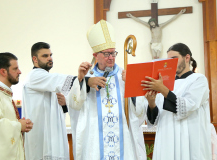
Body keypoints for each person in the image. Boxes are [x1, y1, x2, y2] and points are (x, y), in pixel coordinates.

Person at [67, 20, 147, 160]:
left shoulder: (125, 75)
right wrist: (81, 80)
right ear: (95, 55)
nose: (111, 58)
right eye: (106, 54)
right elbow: (74, 105)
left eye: (113, 53)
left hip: (122, 140)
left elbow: (140, 111)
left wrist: (132, 84)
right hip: (96, 143)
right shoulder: (88, 77)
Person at [142, 43, 212, 159]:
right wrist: (151, 102)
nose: (171, 64)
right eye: (168, 61)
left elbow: (186, 107)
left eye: (174, 59)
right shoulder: (164, 83)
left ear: (187, 58)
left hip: (189, 140)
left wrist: (162, 89)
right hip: (166, 140)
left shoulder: (199, 80)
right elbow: (155, 119)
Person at [22, 42, 76, 160]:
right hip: (41, 139)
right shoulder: (35, 76)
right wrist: (84, 79)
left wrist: (64, 105)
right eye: (45, 56)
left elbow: (56, 109)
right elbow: (60, 79)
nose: (50, 58)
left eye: (50, 55)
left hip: (53, 135)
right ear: (35, 59)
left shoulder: (48, 80)